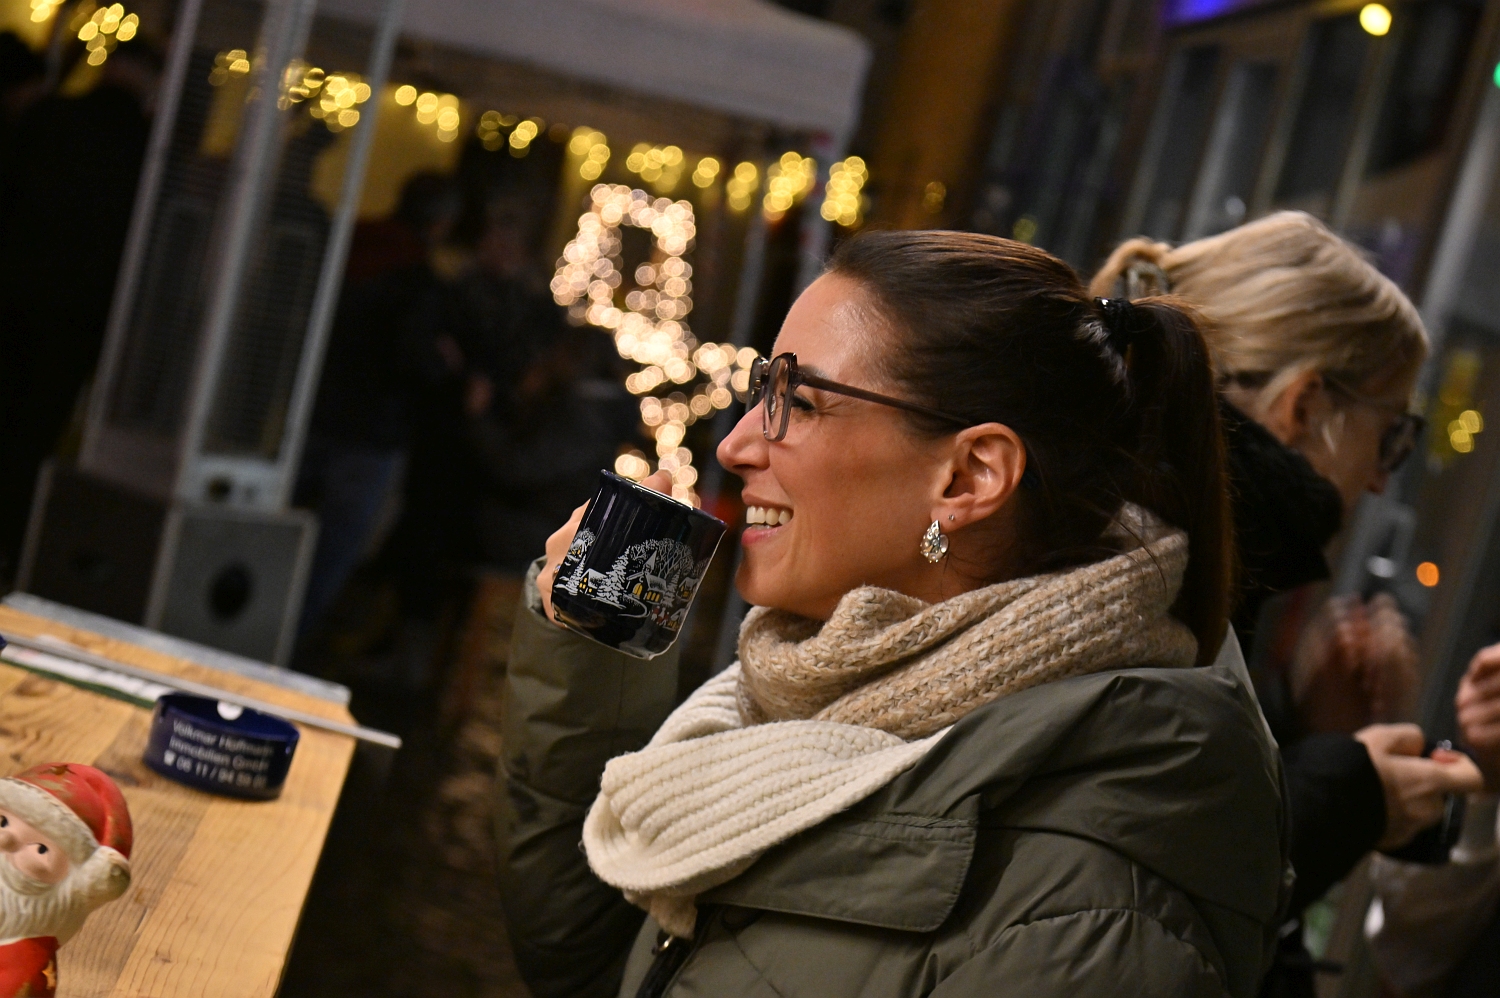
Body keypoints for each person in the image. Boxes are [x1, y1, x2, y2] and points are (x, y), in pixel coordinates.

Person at [497, 230, 1289, 998]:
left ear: (969, 478)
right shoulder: (805, 697)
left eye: (801, 402)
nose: (736, 445)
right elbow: (599, 968)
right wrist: (591, 642)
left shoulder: (1093, 925)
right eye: (763, 389)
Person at [1091, 212, 1485, 996]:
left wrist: (1302, 733)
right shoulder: (1157, 556)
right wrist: (1348, 792)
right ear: (1303, 407)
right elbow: (1133, 894)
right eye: (1391, 436)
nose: (1382, 478)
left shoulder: (1148, 509)